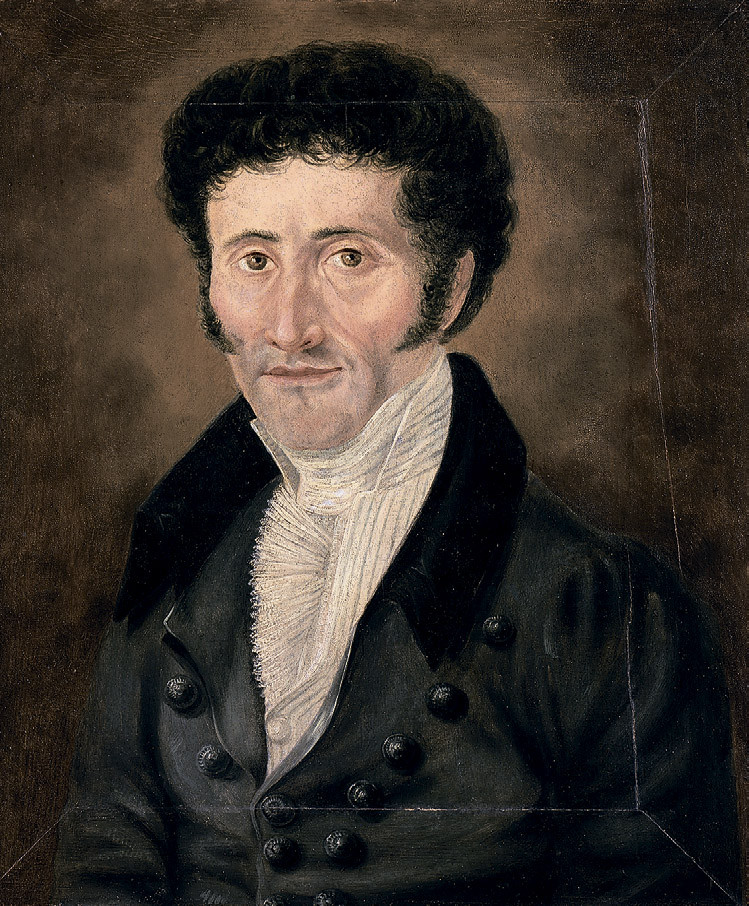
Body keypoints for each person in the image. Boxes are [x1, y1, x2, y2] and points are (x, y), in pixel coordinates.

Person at [52, 42, 741, 906]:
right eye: (254, 260)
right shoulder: (173, 563)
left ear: (448, 289)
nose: (289, 327)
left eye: (347, 258)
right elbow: (104, 865)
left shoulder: (602, 605)